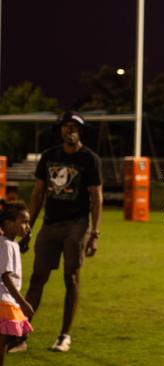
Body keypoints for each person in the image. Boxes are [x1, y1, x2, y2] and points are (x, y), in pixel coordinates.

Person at [15, 111, 103, 353]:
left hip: (76, 224)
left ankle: (64, 335)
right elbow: (37, 194)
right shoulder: (49, 156)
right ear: (61, 130)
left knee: (71, 278)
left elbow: (97, 198)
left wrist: (94, 233)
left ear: (80, 130)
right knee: (37, 278)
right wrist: (28, 227)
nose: (70, 130)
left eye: (75, 126)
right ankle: (20, 336)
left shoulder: (89, 159)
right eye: (66, 126)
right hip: (50, 223)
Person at [0, 200, 34, 361]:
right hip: (4, 300)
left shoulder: (10, 243)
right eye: (24, 222)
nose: (27, 226)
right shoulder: (5, 245)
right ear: (8, 223)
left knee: (4, 343)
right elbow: (5, 276)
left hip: (7, 300)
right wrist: (22, 302)